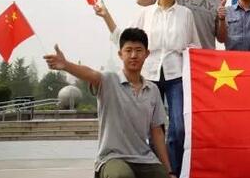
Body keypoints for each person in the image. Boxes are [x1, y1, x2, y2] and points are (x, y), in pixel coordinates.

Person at [94, 0, 198, 178]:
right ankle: (152, 167)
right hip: (149, 75)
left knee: (179, 127)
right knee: (152, 127)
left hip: (176, 75)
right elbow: (125, 38)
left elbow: (194, 45)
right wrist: (106, 17)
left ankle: (173, 171)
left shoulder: (185, 14)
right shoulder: (146, 13)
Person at [43, 28, 173, 178]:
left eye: (138, 50)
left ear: (147, 54)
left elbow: (157, 133)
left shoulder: (153, 90)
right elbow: (90, 74)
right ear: (120, 54)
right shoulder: (109, 80)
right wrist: (66, 65)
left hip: (144, 159)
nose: (133, 55)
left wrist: (169, 171)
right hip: (112, 158)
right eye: (128, 50)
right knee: (122, 175)